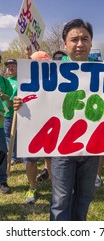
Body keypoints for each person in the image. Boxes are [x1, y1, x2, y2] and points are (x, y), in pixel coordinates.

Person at [13, 19, 104, 220]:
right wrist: (22, 103)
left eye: (85, 39)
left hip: (92, 150)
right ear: (65, 44)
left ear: (91, 43)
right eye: (74, 39)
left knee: (85, 197)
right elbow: (37, 100)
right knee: (61, 199)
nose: (80, 43)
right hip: (62, 150)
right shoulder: (49, 73)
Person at [24, 49, 52, 203]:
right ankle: (32, 187)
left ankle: (57, 188)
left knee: (52, 157)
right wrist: (17, 103)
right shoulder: (26, 82)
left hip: (53, 124)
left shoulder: (56, 80)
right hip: (33, 125)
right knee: (32, 159)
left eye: (45, 64)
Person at [37, 49, 67, 183]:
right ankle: (48, 170)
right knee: (49, 144)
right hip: (50, 117)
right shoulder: (47, 75)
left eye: (62, 58)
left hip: (67, 119)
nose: (59, 61)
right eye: (56, 58)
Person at [0, 55, 13, 194]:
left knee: (2, 152)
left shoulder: (4, 81)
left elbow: (11, 104)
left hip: (0, 123)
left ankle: (2, 181)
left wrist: (6, 98)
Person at [4, 59, 19, 164]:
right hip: (5, 114)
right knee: (8, 136)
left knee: (16, 136)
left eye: (13, 65)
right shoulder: (5, 81)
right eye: (8, 66)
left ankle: (15, 157)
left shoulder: (21, 80)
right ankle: (13, 156)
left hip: (16, 113)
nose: (10, 68)